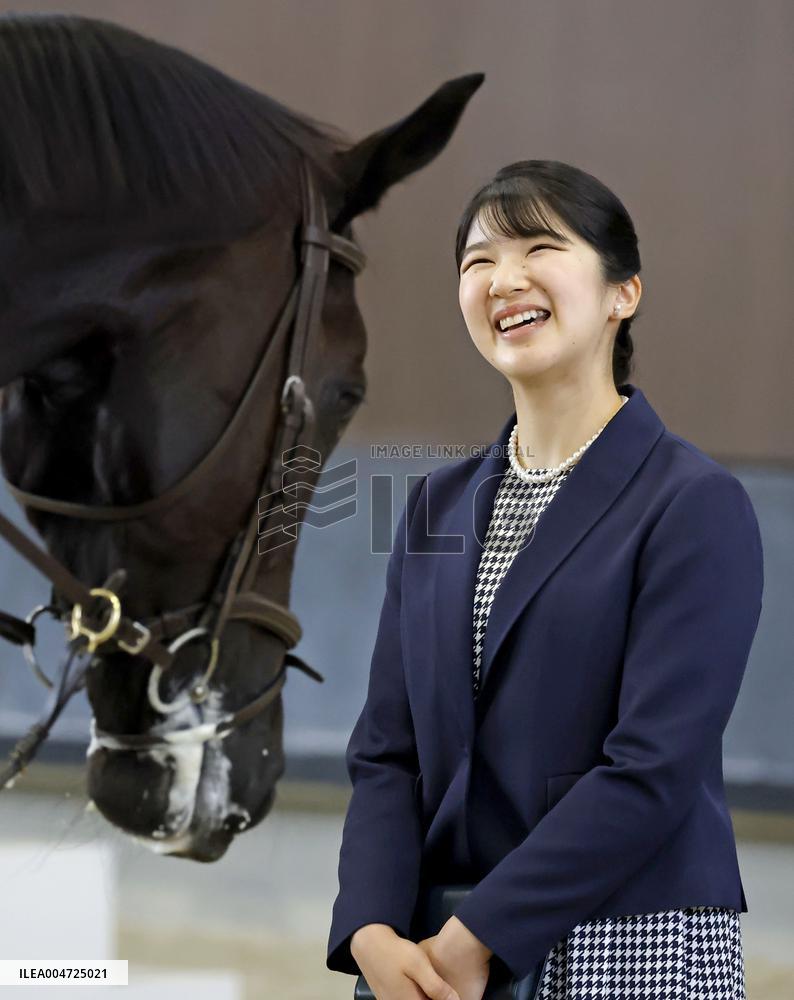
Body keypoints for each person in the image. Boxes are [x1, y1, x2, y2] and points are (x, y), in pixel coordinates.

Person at [327, 160, 763, 1000]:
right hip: (427, 951)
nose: (504, 279)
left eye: (538, 247)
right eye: (478, 261)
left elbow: (652, 767)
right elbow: (387, 754)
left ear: (621, 294)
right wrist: (372, 930)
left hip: (625, 940)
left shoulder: (694, 504)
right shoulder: (435, 505)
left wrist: (482, 935)